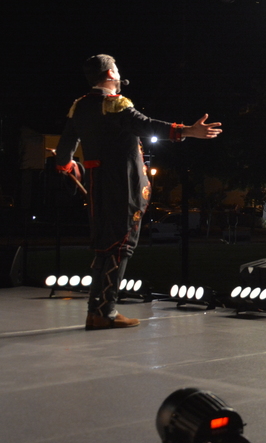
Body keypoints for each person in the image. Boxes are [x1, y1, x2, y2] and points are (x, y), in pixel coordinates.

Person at [54, 54, 222, 330]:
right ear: (109, 75)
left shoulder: (79, 107)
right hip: (123, 183)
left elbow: (63, 153)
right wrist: (187, 131)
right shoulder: (115, 104)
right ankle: (104, 312)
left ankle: (96, 311)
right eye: (117, 69)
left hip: (98, 185)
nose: (120, 74)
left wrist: (70, 166)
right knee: (121, 245)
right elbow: (147, 125)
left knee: (104, 245)